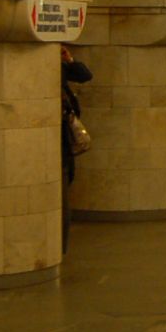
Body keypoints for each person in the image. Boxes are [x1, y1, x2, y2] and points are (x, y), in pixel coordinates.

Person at [60, 45, 92, 253]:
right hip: (61, 136)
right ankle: (60, 245)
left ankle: (62, 245)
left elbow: (84, 75)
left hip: (66, 136)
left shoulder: (62, 66)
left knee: (68, 178)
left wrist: (69, 60)